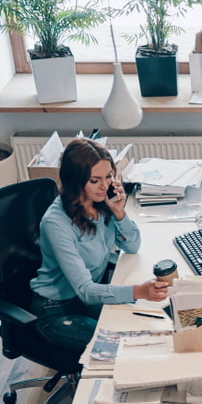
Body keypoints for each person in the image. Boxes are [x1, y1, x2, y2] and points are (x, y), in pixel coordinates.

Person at [30, 140, 166, 355]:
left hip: (90, 299)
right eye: (95, 180)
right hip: (56, 310)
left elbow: (132, 246)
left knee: (151, 328)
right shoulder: (55, 223)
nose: (104, 186)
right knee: (123, 347)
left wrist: (119, 212)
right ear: (75, 181)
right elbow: (85, 290)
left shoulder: (101, 203)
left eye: (108, 176)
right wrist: (139, 291)